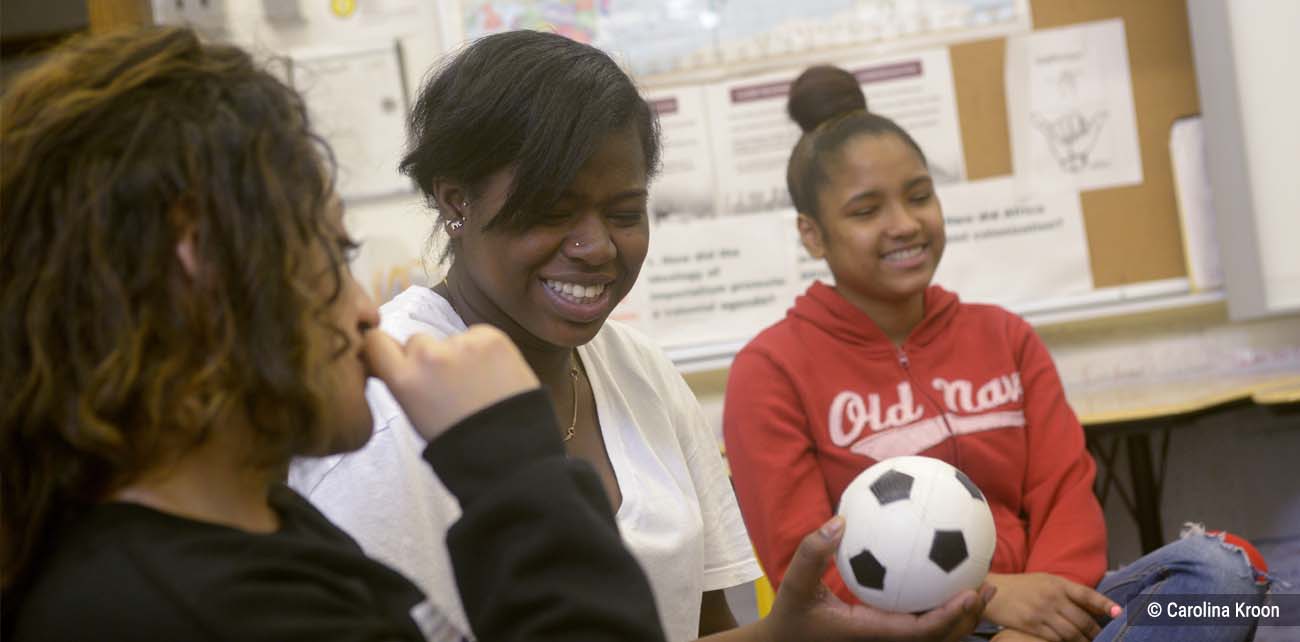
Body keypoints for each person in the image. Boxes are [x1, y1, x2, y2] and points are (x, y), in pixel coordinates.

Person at [0, 27, 997, 642]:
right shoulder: (192, 597)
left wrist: (779, 639)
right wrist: (512, 465)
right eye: (324, 254)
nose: (359, 308)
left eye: (625, 207)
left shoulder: (263, 543)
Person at [721, 65, 1272, 642]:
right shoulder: (769, 372)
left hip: (1043, 617)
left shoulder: (1005, 337)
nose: (905, 224)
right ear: (812, 234)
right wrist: (991, 597)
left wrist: (1034, 625)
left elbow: (1065, 498)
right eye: (866, 211)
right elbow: (808, 575)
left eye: (919, 196)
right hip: (892, 633)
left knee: (1223, 579)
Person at [288, 29, 762, 641]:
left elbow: (699, 627)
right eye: (552, 212)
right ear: (456, 202)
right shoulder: (380, 417)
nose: (597, 247)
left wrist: (795, 633)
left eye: (624, 213)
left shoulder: (640, 370)